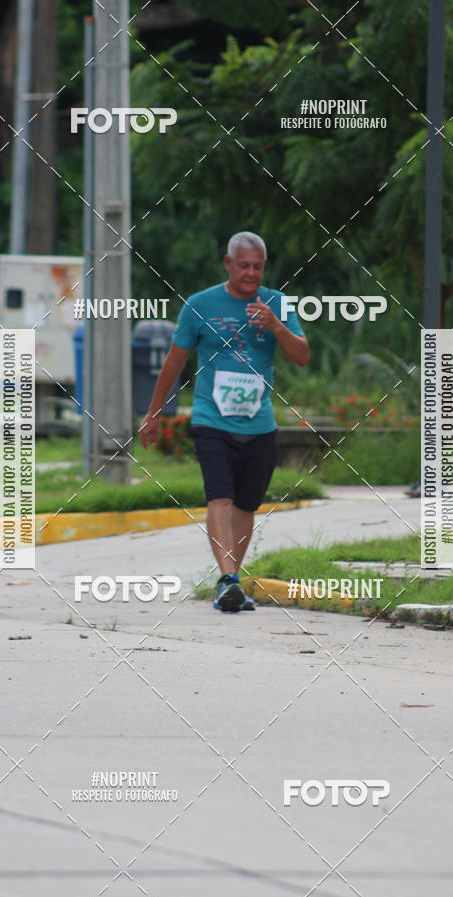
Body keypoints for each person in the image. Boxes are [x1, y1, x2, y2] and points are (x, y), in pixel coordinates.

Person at [139, 231, 309, 612]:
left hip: (259, 423)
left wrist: (276, 327)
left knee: (246, 506)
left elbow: (302, 357)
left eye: (258, 267)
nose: (251, 274)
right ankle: (228, 578)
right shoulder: (200, 305)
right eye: (244, 266)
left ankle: (231, 583)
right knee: (220, 496)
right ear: (228, 264)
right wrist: (153, 414)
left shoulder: (278, 304)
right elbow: (175, 363)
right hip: (210, 418)